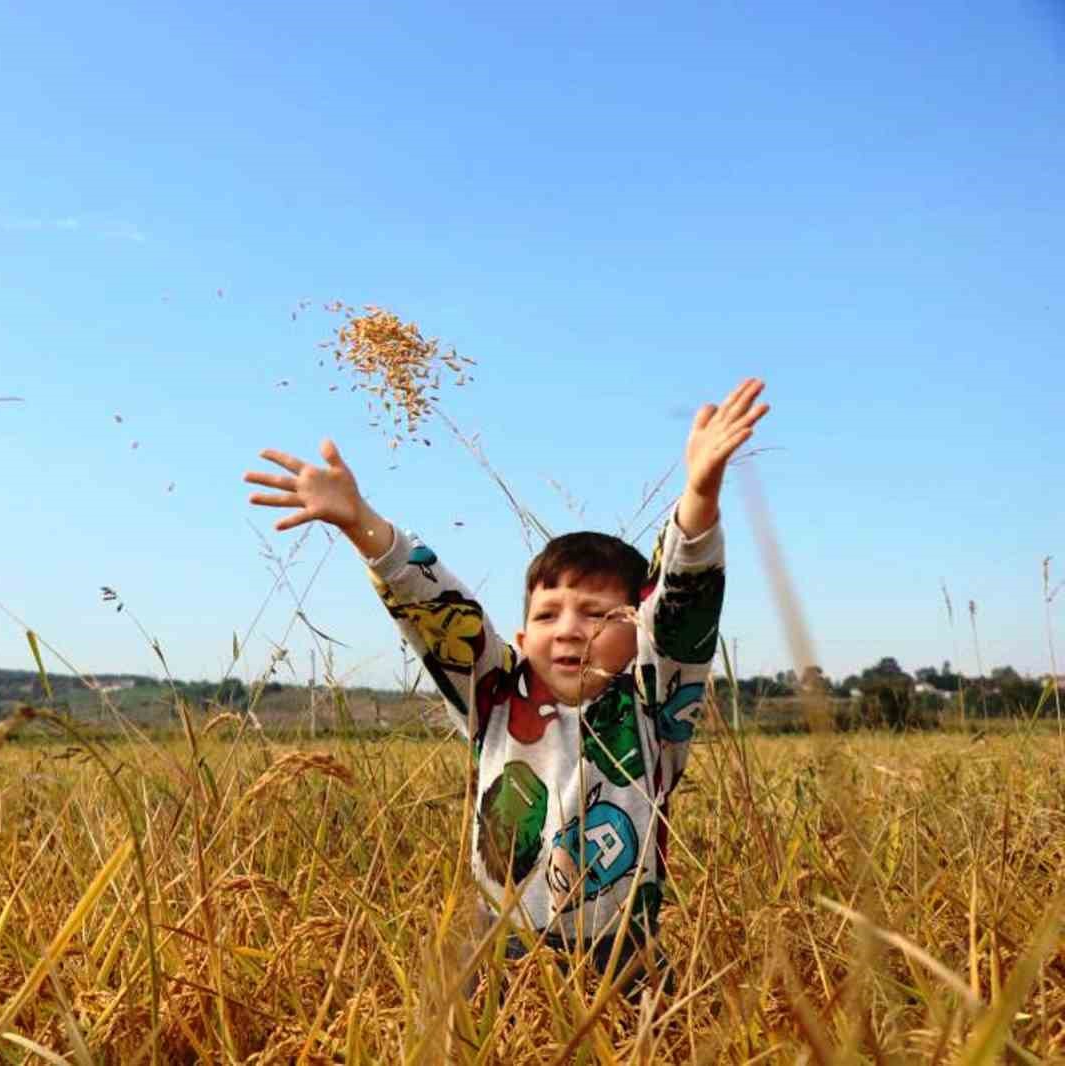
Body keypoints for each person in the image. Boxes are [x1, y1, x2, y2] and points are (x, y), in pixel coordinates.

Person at [243, 377, 770, 996]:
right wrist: (364, 526)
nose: (569, 631)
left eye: (598, 614)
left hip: (625, 953)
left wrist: (700, 497)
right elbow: (437, 612)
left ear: (638, 630)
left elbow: (685, 609)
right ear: (521, 636)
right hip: (501, 946)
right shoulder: (492, 692)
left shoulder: (654, 708)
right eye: (548, 616)